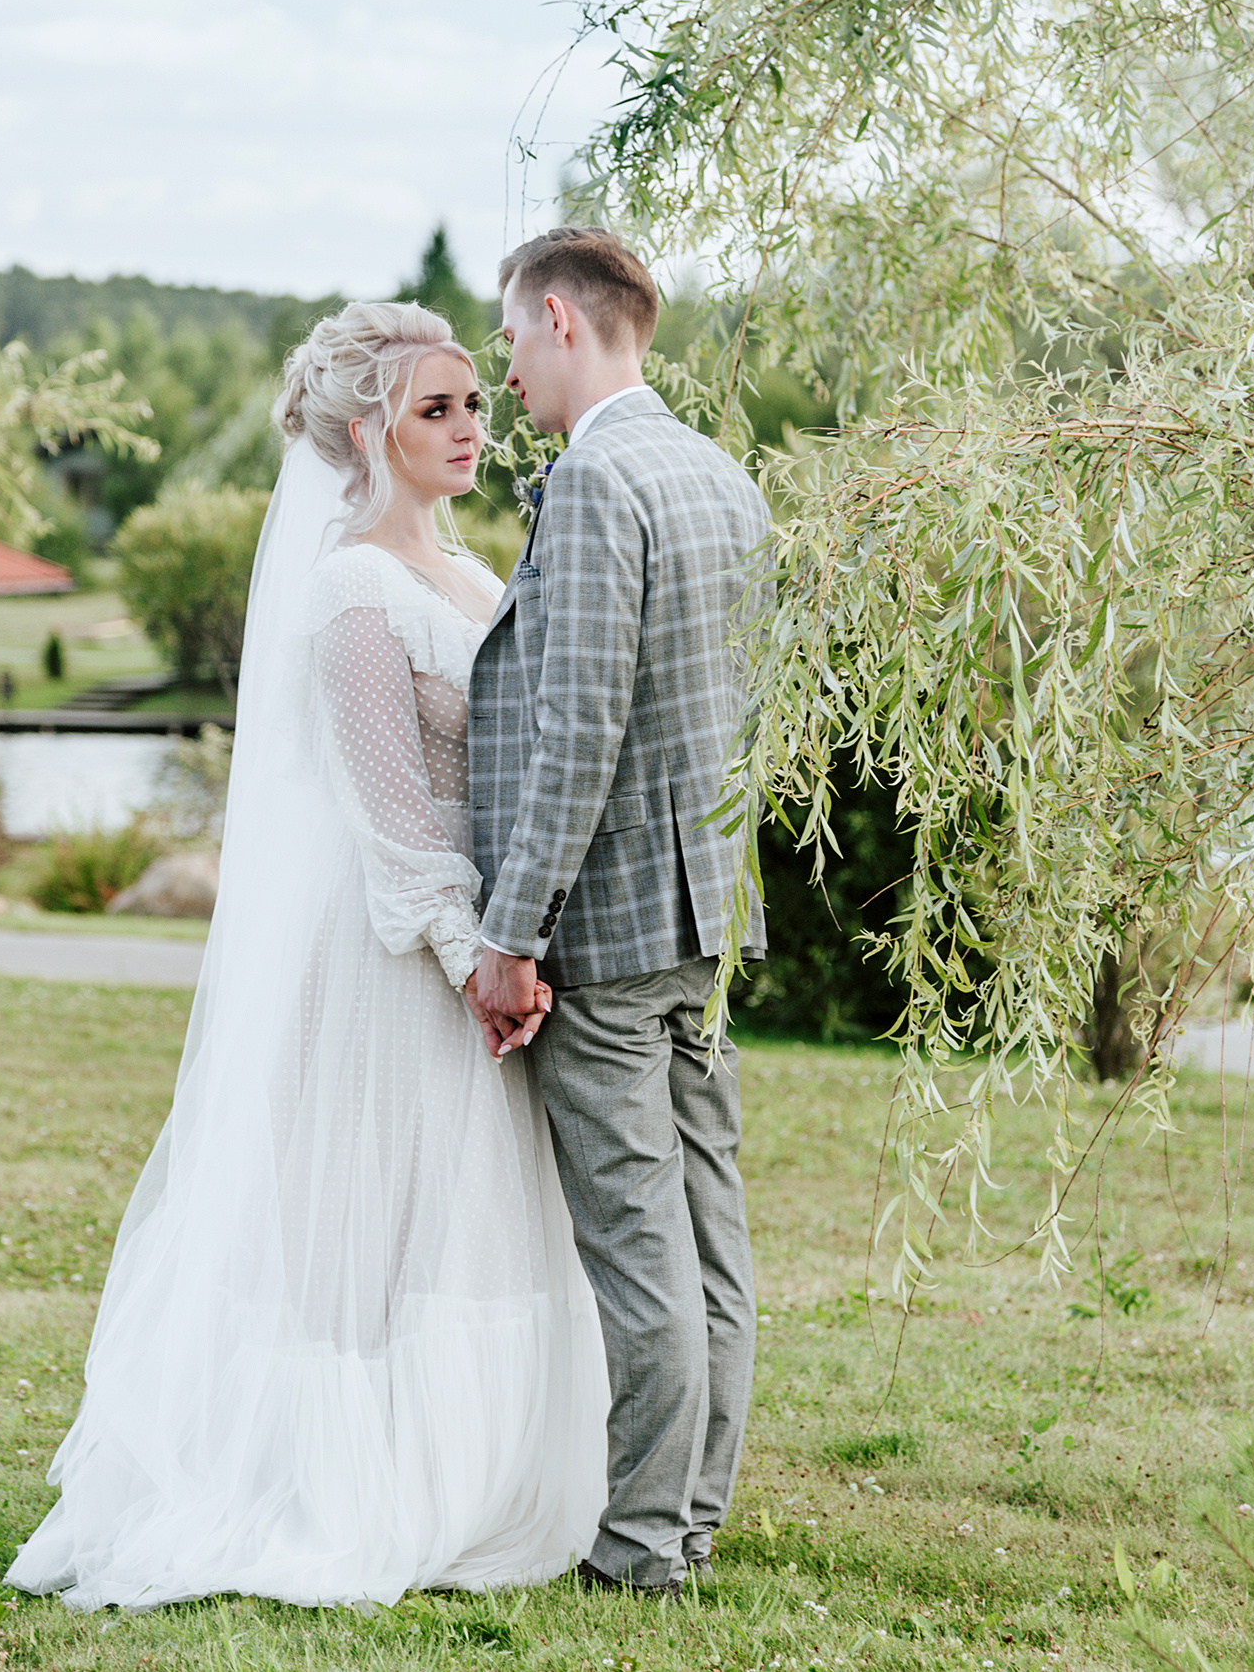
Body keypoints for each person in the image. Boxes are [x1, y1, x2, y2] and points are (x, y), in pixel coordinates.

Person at [4, 302, 606, 1613]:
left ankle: (474, 1472)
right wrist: (472, 957)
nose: (471, 426)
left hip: (489, 942)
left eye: (473, 402)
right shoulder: (348, 589)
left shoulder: (469, 571)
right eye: (436, 408)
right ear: (368, 430)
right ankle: (351, 1485)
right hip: (394, 956)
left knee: (468, 1218)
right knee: (379, 1229)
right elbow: (394, 817)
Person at [465, 227, 771, 1600]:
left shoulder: (594, 479)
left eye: (510, 342)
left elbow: (577, 726)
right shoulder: (718, 473)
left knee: (642, 1246)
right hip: (705, 914)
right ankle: (687, 1520)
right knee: (708, 1238)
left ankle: (643, 1546)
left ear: (558, 318)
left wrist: (511, 932)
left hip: (609, 923)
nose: (506, 374)